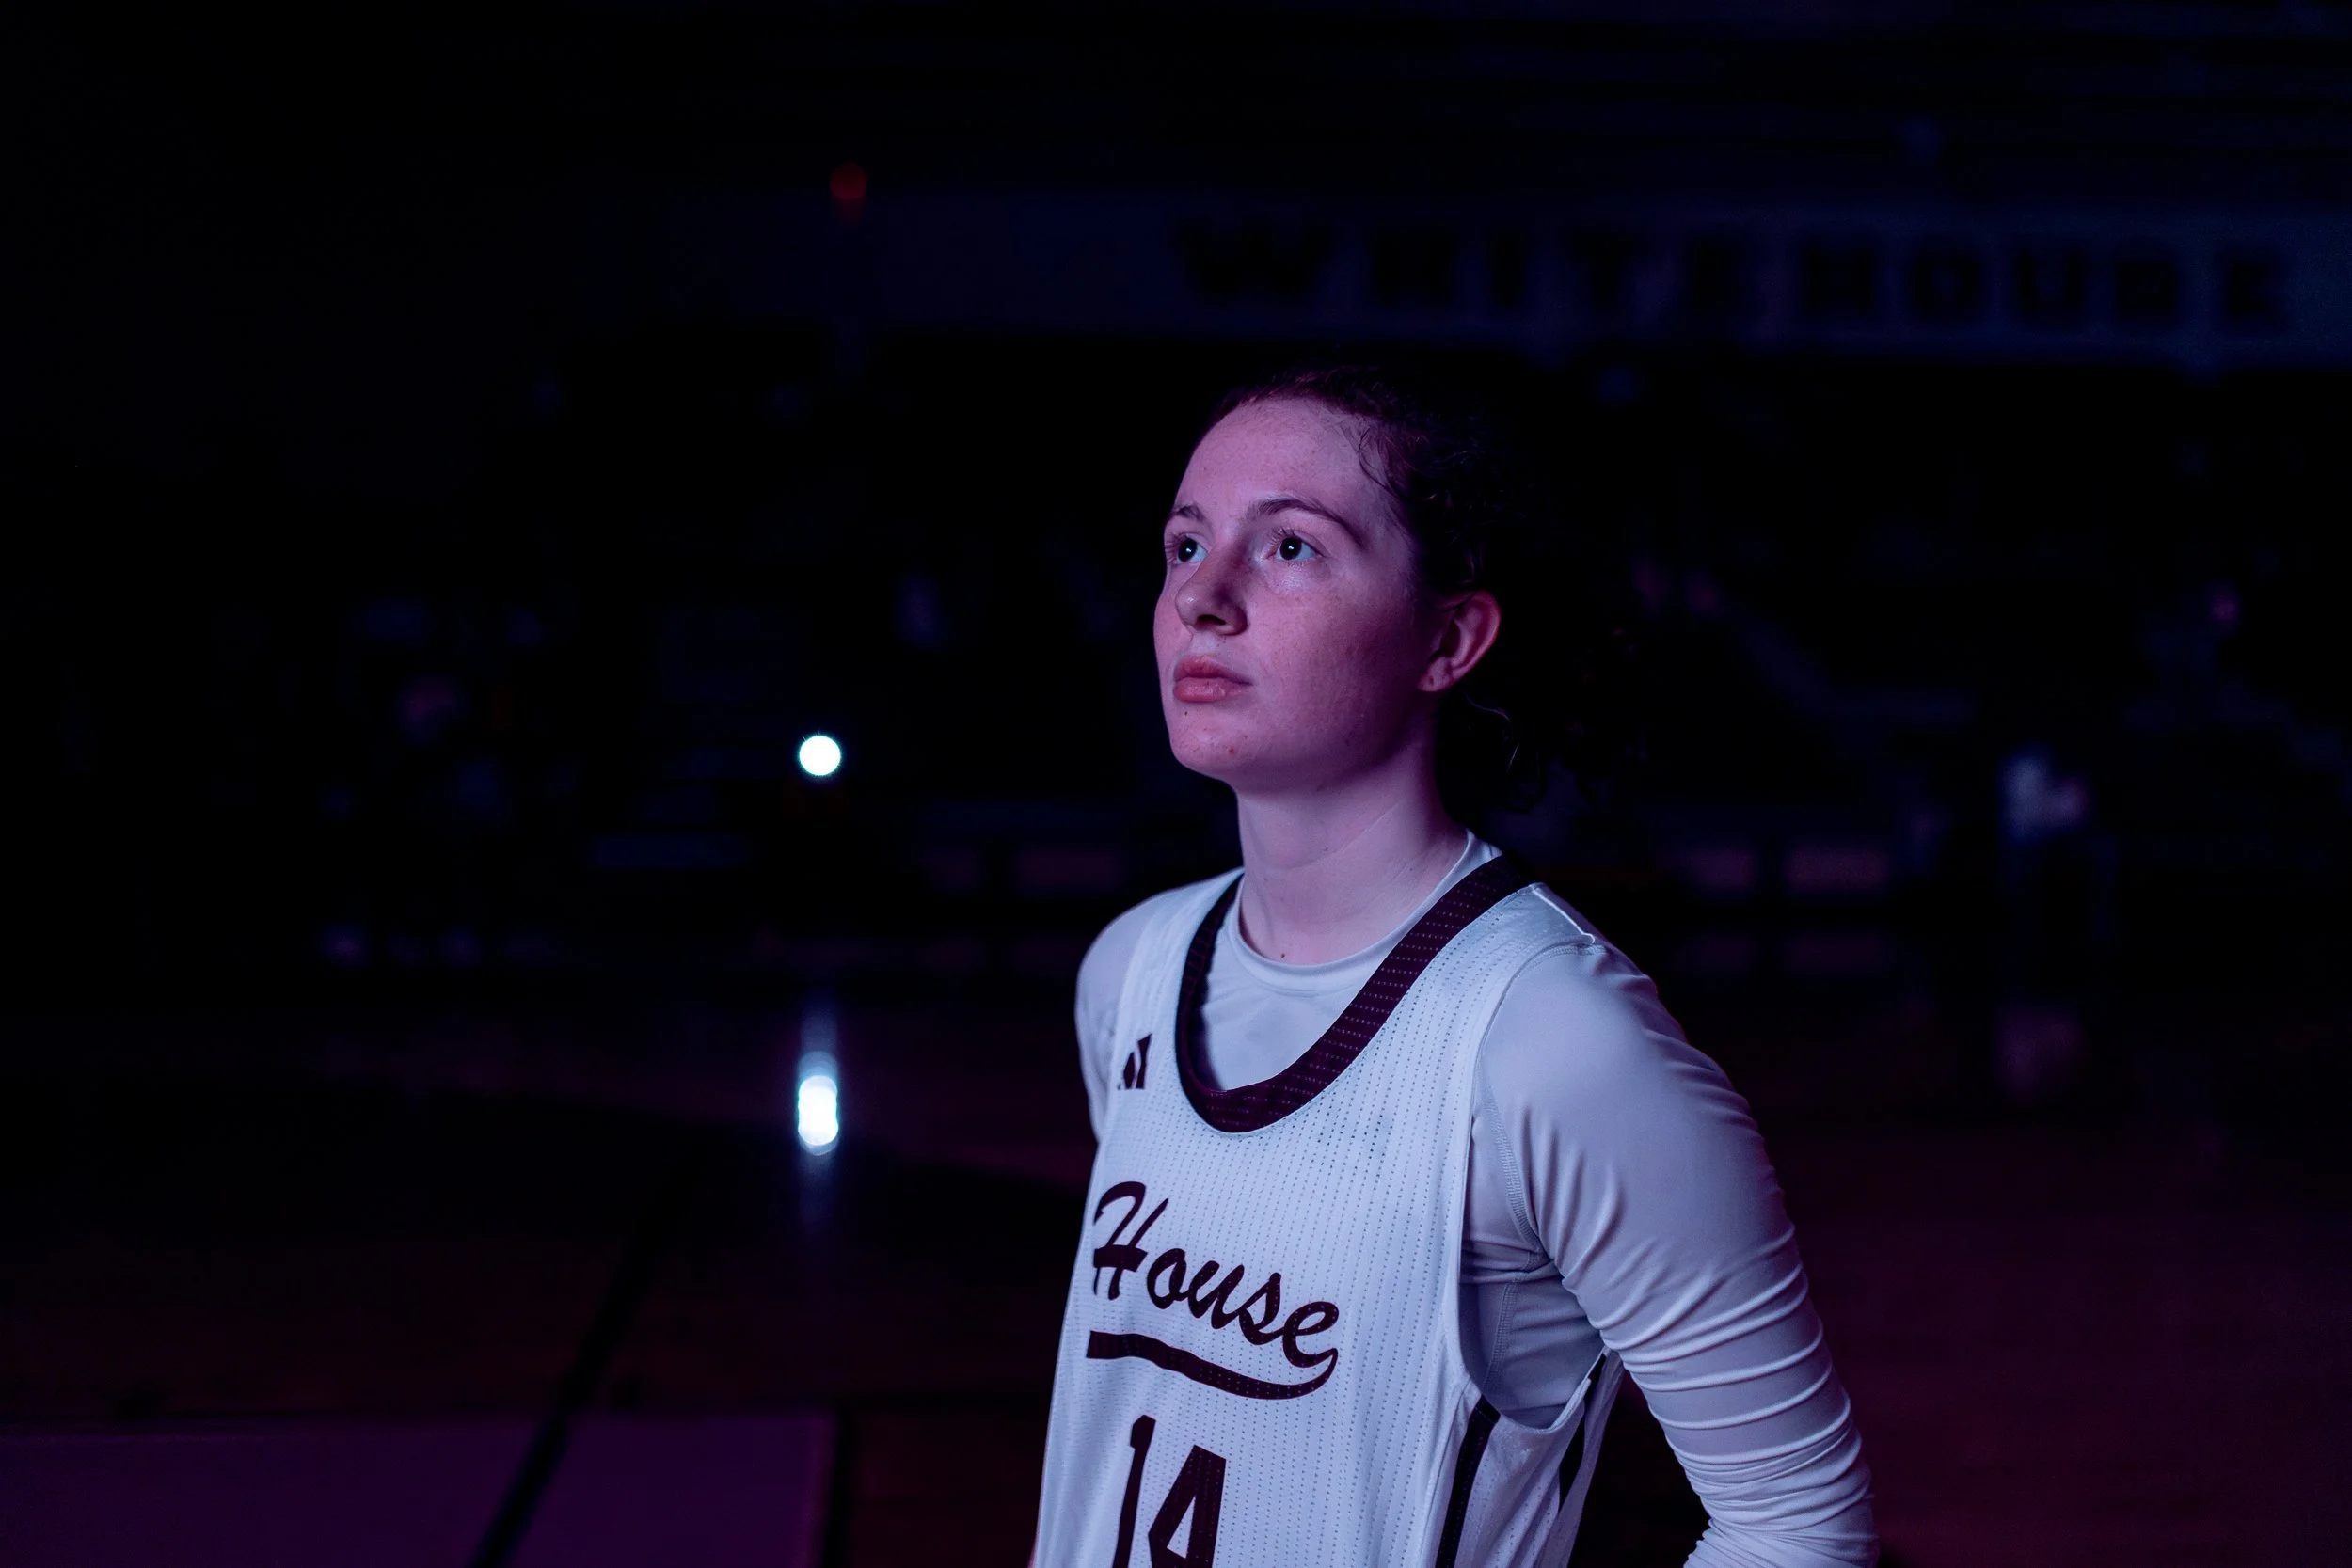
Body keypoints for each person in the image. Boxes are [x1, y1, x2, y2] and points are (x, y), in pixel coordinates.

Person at [1033, 366, 1875, 1567]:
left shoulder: (1554, 1044)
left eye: (1289, 548)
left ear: (1447, 637)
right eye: (1183, 544)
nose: (1203, 599)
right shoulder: (1129, 970)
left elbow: (1797, 1524)